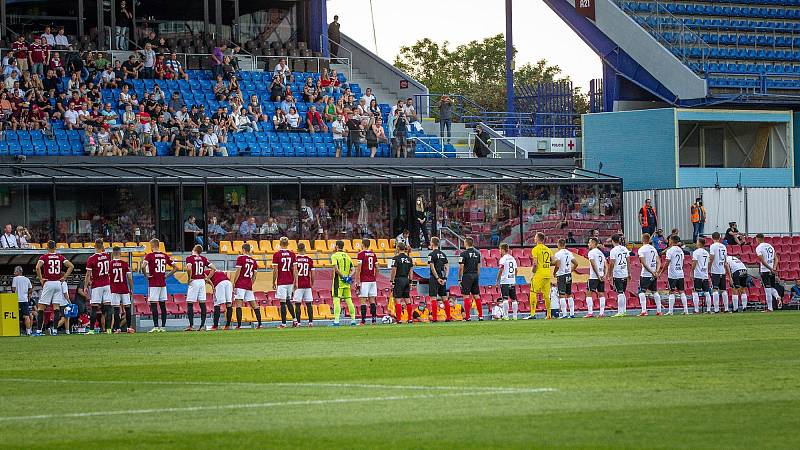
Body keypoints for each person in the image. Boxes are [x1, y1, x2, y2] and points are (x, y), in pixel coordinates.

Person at [33, 241, 74, 336]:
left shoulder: (44, 257)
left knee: (41, 307)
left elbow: (37, 267)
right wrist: (64, 277)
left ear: (47, 247)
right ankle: (55, 330)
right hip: (58, 283)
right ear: (55, 247)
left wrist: (41, 279)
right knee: (56, 308)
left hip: (48, 282)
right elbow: (71, 266)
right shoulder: (60, 257)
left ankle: (39, 331)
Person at [143, 239, 175, 332]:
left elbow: (142, 266)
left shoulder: (149, 256)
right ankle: (163, 327)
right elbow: (175, 267)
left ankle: (156, 326)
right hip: (162, 283)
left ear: (152, 246)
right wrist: (167, 275)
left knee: (154, 305)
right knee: (162, 305)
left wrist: (146, 275)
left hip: (153, 283)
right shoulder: (164, 255)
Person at [84, 239, 113, 334]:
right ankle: (109, 330)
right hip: (107, 285)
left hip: (97, 286)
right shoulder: (107, 256)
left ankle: (91, 330)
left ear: (94, 246)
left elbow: (88, 274)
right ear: (102, 246)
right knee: (108, 308)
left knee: (94, 308)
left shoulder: (91, 258)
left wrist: (85, 286)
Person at [231, 243, 262, 329]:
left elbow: (238, 270)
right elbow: (255, 276)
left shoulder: (240, 258)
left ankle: (239, 325)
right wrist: (250, 283)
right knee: (254, 305)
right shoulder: (254, 261)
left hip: (240, 284)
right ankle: (260, 324)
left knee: (239, 305)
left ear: (243, 249)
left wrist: (234, 282)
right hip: (248, 285)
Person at [184, 245, 215, 331]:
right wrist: (207, 278)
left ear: (194, 249)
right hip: (202, 281)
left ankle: (191, 325)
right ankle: (202, 325)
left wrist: (189, 278)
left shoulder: (189, 258)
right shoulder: (203, 258)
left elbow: (189, 268)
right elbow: (214, 268)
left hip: (194, 281)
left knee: (190, 303)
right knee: (202, 303)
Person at [271, 237, 297, 329]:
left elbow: (275, 270)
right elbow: (295, 270)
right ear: (288, 244)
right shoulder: (292, 254)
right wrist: (296, 281)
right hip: (290, 281)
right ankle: (295, 320)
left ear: (280, 243)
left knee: (282, 302)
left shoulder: (276, 255)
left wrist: (273, 281)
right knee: (287, 300)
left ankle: (283, 323)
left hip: (282, 281)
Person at [331, 240, 357, 326]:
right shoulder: (347, 256)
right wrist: (348, 276)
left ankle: (336, 321)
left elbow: (335, 268)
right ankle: (353, 320)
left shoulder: (334, 256)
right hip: (346, 282)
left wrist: (342, 276)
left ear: (337, 246)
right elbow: (353, 269)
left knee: (336, 300)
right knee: (349, 300)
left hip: (338, 281)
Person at [109, 246, 135, 333]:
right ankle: (128, 328)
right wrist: (131, 288)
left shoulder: (110, 264)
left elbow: (108, 277)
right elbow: (130, 278)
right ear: (120, 253)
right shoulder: (125, 264)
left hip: (114, 289)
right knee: (127, 308)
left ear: (113, 253)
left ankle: (117, 329)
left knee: (116, 309)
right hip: (124, 288)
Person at [637, 233, 663, 316]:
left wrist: (652, 272)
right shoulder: (653, 249)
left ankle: (644, 311)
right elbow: (659, 261)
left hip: (646, 274)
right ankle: (659, 311)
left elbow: (644, 263)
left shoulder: (641, 249)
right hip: (654, 274)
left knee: (641, 291)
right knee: (654, 291)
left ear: (643, 239)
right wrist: (656, 272)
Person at [755, 233, 781, 312]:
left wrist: (770, 268)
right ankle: (777, 297)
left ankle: (770, 308)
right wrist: (774, 268)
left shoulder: (759, 247)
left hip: (765, 270)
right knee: (772, 287)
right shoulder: (770, 246)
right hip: (771, 270)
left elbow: (762, 261)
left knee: (767, 289)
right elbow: (776, 259)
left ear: (758, 239)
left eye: (756, 239)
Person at [459, 237, 483, 321]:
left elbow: (461, 268)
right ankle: (480, 316)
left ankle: (468, 316)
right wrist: (477, 276)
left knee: (466, 296)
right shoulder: (478, 253)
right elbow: (479, 267)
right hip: (475, 275)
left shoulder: (463, 254)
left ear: (466, 243)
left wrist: (459, 278)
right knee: (476, 296)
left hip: (467, 276)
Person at [355, 239, 379, 325]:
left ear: (362, 244)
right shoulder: (373, 254)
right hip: (372, 280)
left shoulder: (361, 254)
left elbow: (359, 268)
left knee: (363, 300)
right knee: (372, 300)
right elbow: (377, 268)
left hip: (364, 280)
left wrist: (357, 280)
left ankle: (363, 321)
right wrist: (374, 277)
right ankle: (373, 320)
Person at [664, 235, 689, 315]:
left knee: (672, 291)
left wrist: (661, 272)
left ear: (671, 241)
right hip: (680, 273)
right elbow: (683, 262)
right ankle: (686, 310)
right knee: (681, 291)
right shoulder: (680, 250)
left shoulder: (670, 250)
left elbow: (667, 263)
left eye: (669, 240)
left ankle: (670, 311)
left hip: (673, 274)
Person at [428, 237, 451, 322]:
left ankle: (434, 318)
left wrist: (437, 278)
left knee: (433, 298)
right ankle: (448, 317)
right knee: (444, 298)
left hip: (435, 278)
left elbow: (432, 266)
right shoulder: (443, 254)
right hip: (442, 277)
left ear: (432, 244)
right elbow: (447, 267)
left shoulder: (431, 254)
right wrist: (445, 278)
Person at [292, 242, 315, 327]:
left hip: (298, 285)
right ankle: (310, 322)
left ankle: (298, 322)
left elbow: (294, 272)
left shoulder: (295, 259)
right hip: (307, 284)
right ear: (305, 249)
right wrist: (312, 282)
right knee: (309, 304)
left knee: (297, 304)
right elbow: (312, 273)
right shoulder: (309, 259)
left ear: (297, 250)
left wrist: (294, 282)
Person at [390, 243, 414, 324]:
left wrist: (391, 281)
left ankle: (399, 319)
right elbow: (411, 272)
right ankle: (410, 319)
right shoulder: (409, 259)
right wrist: (410, 282)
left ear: (398, 248)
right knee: (407, 300)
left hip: (398, 280)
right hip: (406, 280)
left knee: (398, 300)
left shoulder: (395, 258)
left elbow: (394, 270)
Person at [553, 239, 577, 319]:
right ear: (565, 244)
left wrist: (554, 272)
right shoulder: (569, 253)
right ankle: (572, 314)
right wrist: (570, 270)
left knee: (562, 295)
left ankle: (564, 314)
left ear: (558, 244)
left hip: (561, 275)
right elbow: (576, 263)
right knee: (569, 294)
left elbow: (558, 264)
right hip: (568, 275)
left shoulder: (558, 254)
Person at [530, 232, 552, 319]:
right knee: (546, 296)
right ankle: (549, 315)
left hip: (539, 274)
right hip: (547, 274)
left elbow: (535, 264)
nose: (534, 238)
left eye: (535, 237)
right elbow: (554, 261)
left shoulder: (535, 249)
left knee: (533, 291)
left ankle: (532, 314)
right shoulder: (548, 249)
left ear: (538, 239)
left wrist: (533, 271)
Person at [608, 234, 629, 318]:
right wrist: (629, 273)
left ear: (612, 240)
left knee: (619, 293)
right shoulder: (625, 248)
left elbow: (612, 263)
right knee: (623, 292)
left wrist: (609, 274)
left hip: (618, 273)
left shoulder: (613, 250)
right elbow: (628, 261)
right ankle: (624, 311)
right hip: (625, 272)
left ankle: (620, 311)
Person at [708, 232, 730, 313]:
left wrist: (709, 268)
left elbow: (711, 258)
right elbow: (725, 260)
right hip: (722, 270)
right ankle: (726, 308)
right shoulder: (723, 246)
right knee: (723, 290)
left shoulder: (713, 246)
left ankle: (716, 309)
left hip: (715, 271)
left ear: (712, 238)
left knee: (715, 289)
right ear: (720, 237)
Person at [496, 243, 518, 320]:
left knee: (505, 299)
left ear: (502, 250)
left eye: (499, 249)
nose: (499, 251)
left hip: (505, 281)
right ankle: (515, 316)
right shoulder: (512, 258)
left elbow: (501, 270)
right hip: (512, 281)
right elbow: (516, 270)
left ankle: (506, 316)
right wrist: (513, 278)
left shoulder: (503, 259)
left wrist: (497, 280)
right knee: (514, 299)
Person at [586, 237, 607, 318]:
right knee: (601, 293)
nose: (588, 244)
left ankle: (590, 312)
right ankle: (601, 313)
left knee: (588, 293)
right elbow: (606, 265)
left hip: (594, 276)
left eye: (589, 242)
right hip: (601, 275)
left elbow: (593, 264)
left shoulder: (591, 252)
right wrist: (604, 275)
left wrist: (598, 275)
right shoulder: (600, 253)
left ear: (593, 243)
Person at [207, 266, 232, 331]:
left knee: (217, 304)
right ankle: (228, 325)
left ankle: (215, 326)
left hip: (219, 284)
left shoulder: (205, 272)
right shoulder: (219, 271)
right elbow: (228, 274)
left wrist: (212, 286)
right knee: (228, 304)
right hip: (228, 283)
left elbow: (206, 279)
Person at [691, 237, 711, 314]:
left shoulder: (696, 252)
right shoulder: (706, 252)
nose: (696, 243)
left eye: (697, 242)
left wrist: (691, 271)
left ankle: (696, 310)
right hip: (704, 274)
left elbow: (694, 262)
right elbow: (708, 263)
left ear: (699, 243)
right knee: (706, 292)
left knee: (695, 291)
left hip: (698, 274)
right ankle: (708, 309)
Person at [12, 266, 33, 336]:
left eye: (15, 271)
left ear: (19, 272)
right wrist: (26, 293)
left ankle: (17, 331)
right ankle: (28, 332)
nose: (14, 273)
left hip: (16, 300)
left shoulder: (15, 279)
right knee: (27, 316)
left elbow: (13, 289)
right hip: (25, 300)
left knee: (15, 316)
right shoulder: (27, 279)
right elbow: (30, 289)